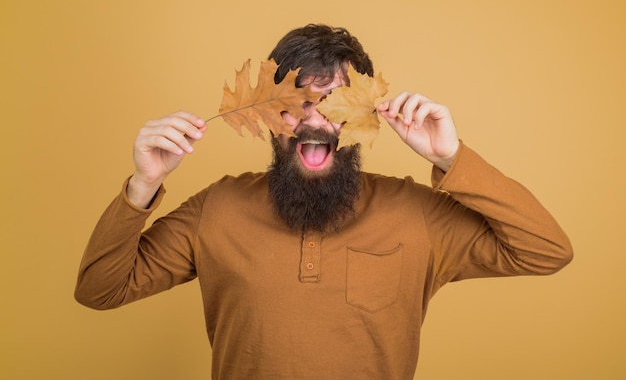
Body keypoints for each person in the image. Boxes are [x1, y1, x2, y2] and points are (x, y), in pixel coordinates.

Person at [75, 24, 573, 379]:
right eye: (296, 104)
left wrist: (451, 158)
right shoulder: (219, 208)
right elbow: (100, 289)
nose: (315, 121)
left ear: (367, 114)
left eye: (335, 104)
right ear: (270, 115)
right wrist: (143, 184)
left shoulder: (417, 213)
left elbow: (546, 250)